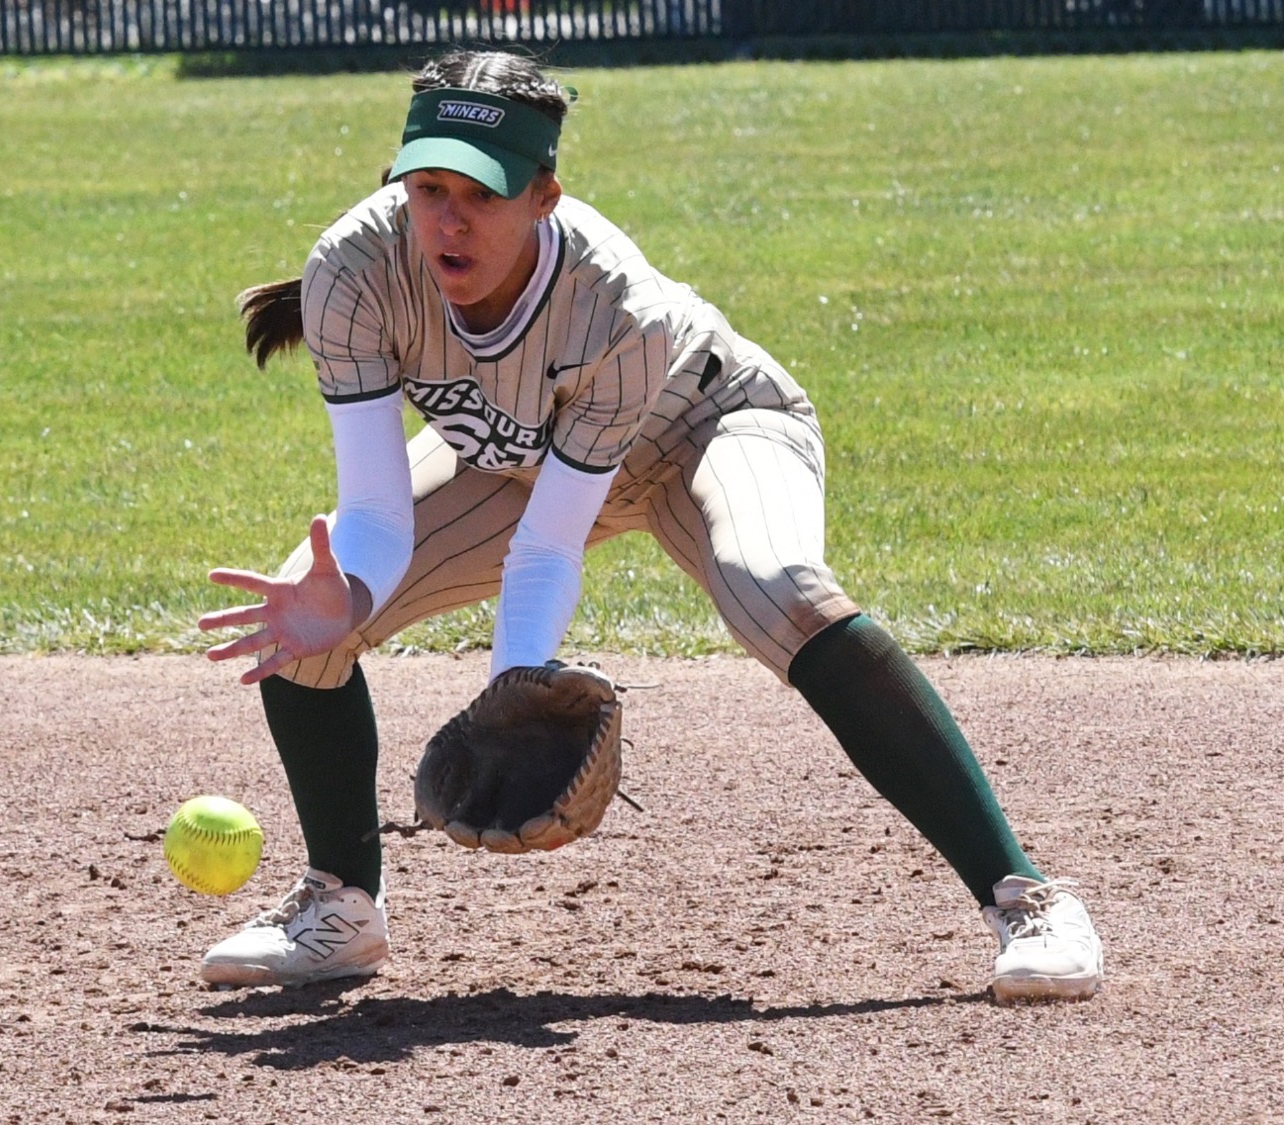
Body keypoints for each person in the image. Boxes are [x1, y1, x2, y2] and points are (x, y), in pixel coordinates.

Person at [195, 48, 1103, 1003]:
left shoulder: (613, 302)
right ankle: (341, 908)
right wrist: (351, 595)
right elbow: (375, 516)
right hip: (518, 458)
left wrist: (515, 689)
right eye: (428, 187)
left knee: (778, 587)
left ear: (545, 195)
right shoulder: (354, 268)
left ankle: (1028, 899)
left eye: (483, 193)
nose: (450, 219)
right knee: (305, 608)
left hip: (704, 424)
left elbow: (547, 546)